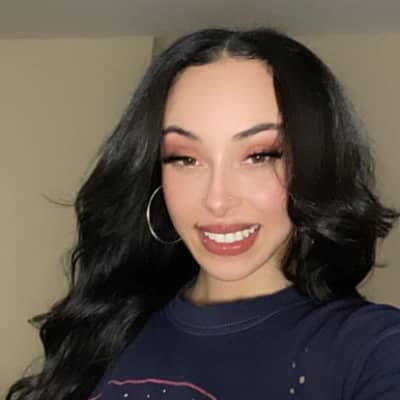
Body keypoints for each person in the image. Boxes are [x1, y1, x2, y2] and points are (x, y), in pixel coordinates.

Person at [6, 28, 400, 400]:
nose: (217, 199)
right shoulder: (108, 324)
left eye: (259, 155)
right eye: (185, 158)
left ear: (315, 167)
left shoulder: (371, 347)